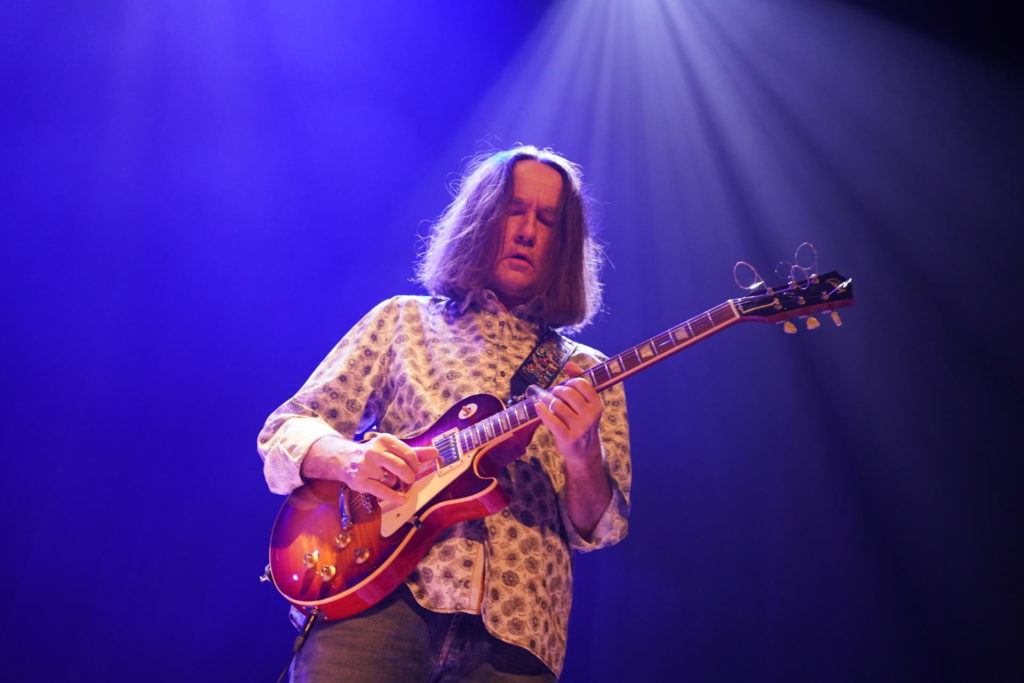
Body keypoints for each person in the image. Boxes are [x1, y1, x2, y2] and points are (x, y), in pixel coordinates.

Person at [257, 146, 631, 681]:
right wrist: (348, 460)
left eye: (547, 220)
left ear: (564, 245)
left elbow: (602, 527)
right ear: (481, 219)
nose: (528, 231)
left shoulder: (585, 371)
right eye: (514, 210)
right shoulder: (402, 321)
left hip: (518, 632)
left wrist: (582, 455)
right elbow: (285, 429)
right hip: (380, 596)